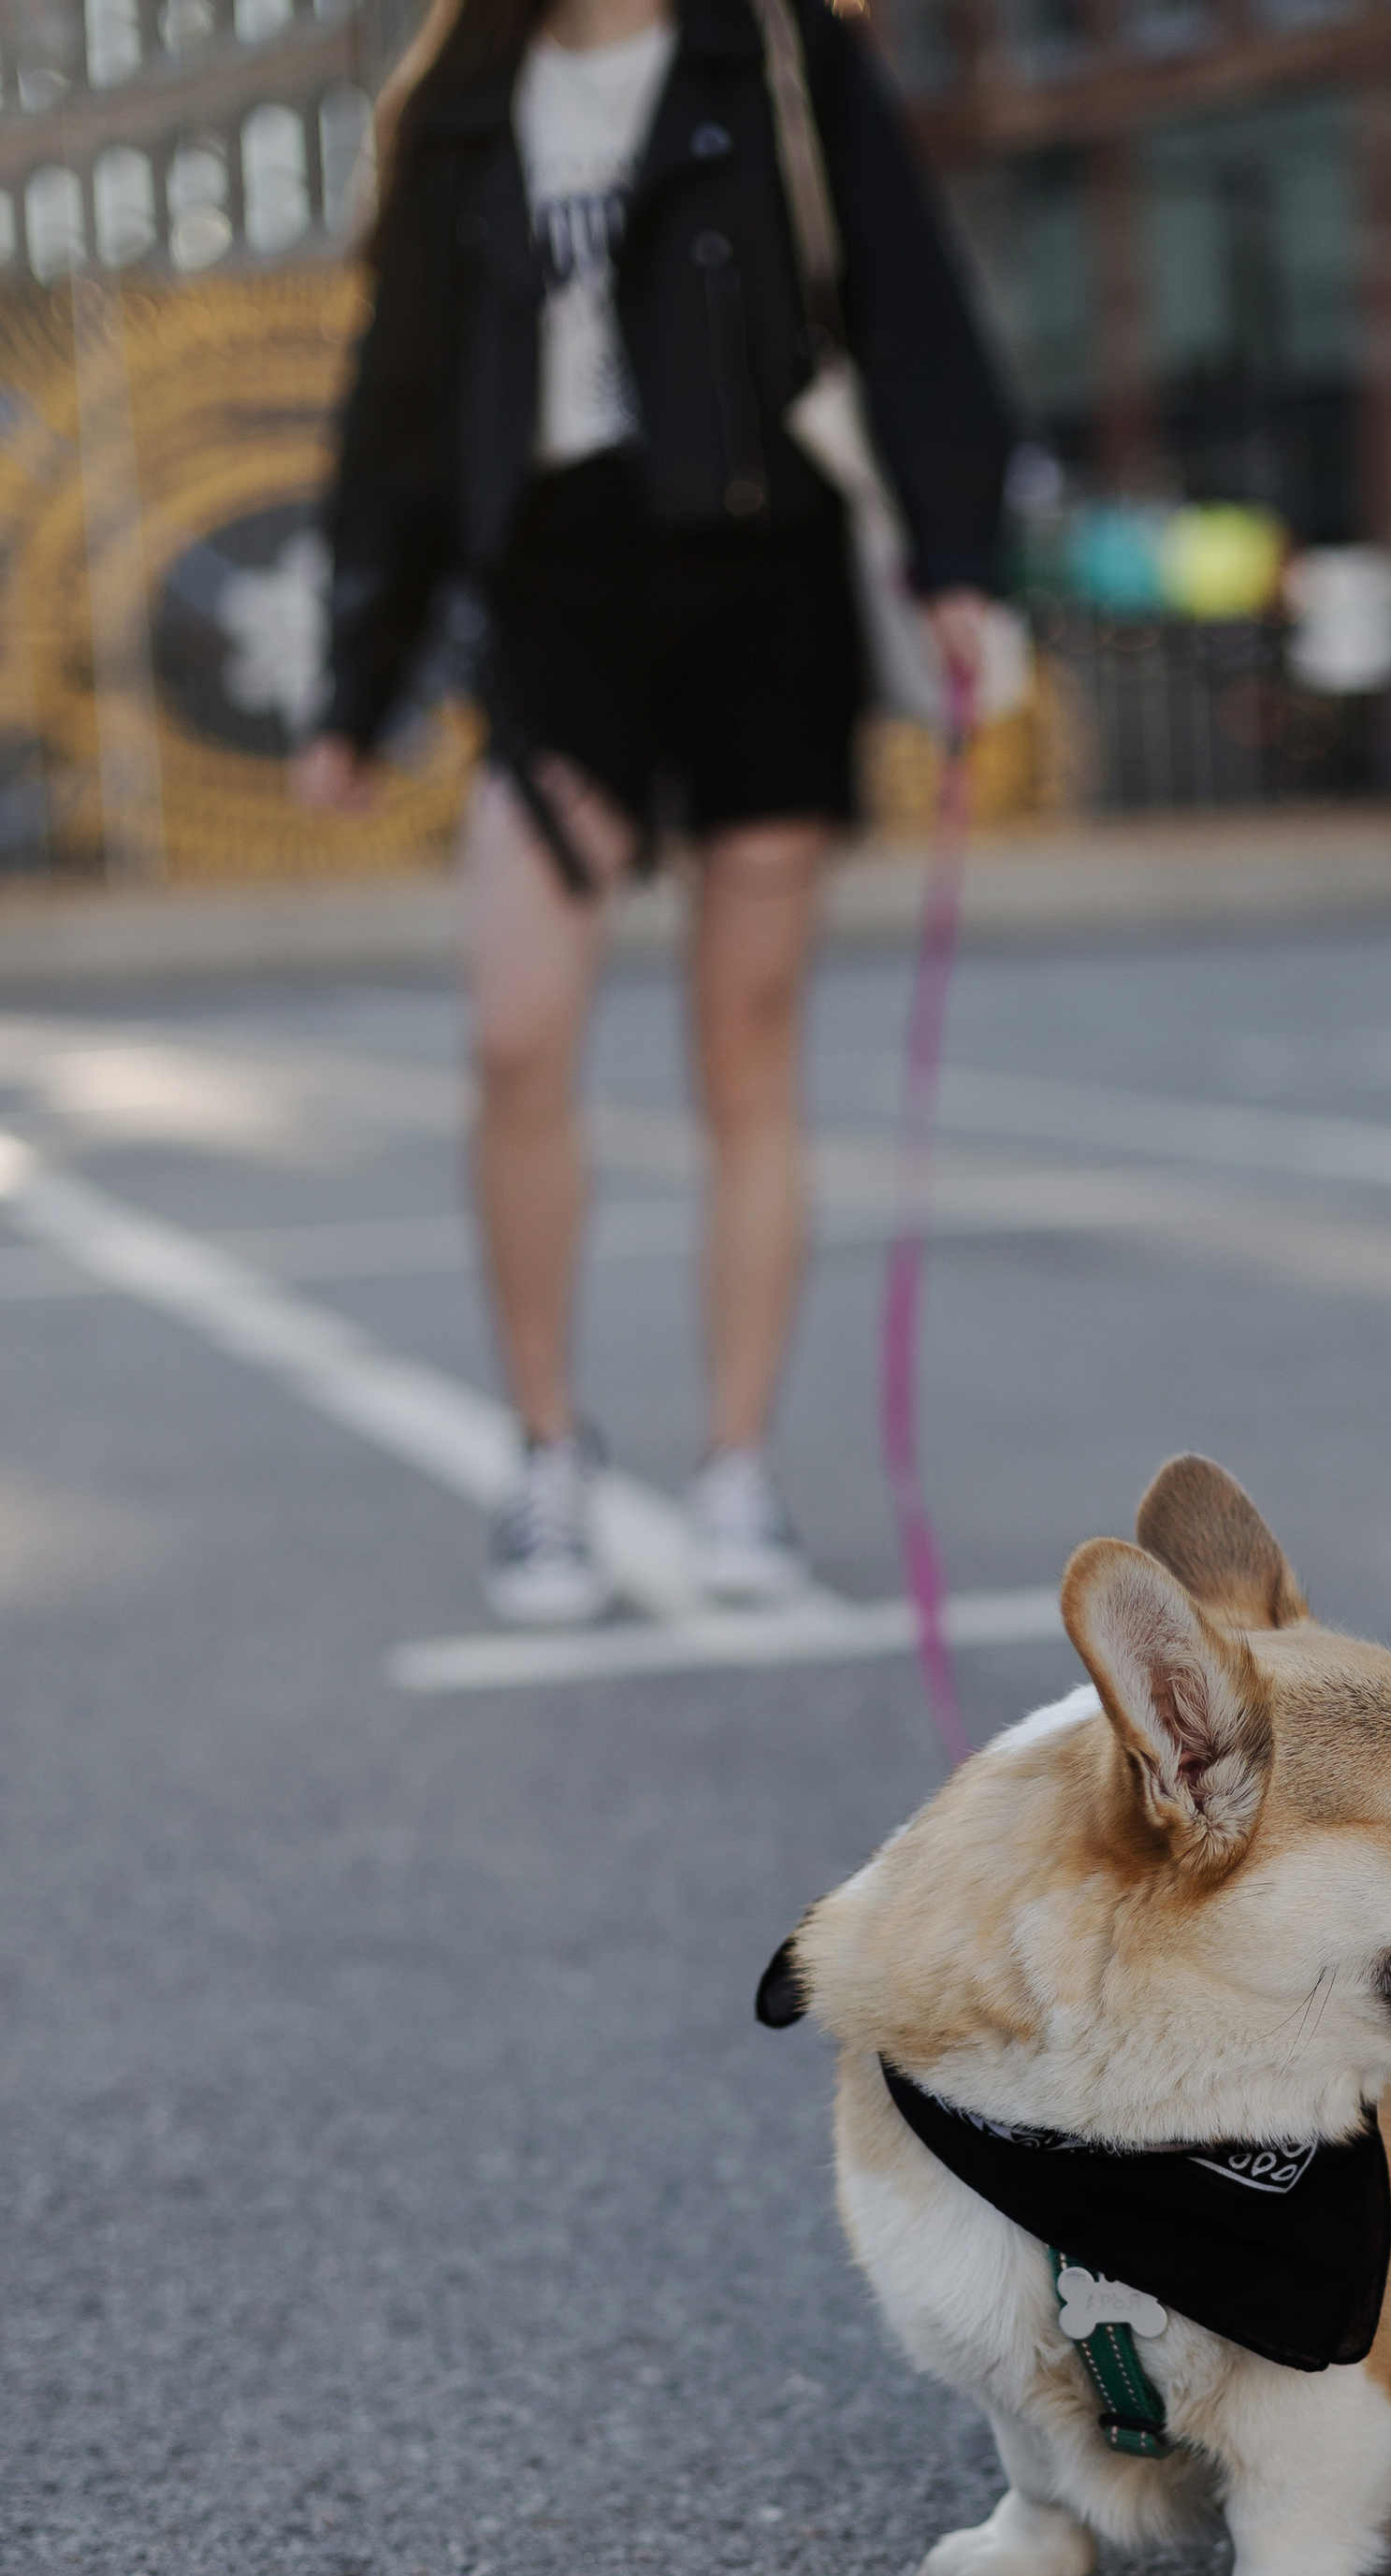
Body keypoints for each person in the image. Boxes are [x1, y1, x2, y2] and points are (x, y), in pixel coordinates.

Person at [297, 0, 1013, 1623]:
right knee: (515, 1034)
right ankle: (547, 1455)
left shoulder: (780, 53)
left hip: (767, 585)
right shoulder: (458, 104)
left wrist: (959, 560)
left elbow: (911, 309)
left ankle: (737, 1470)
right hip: (555, 598)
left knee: (745, 1048)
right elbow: (396, 407)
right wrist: (357, 684)